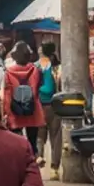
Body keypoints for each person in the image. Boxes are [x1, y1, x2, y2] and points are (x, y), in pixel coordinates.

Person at [1, 40, 44, 154]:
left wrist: (5, 112)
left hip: (15, 111)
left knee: (15, 144)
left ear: (14, 56)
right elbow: (37, 89)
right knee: (32, 144)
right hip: (32, 109)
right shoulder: (36, 70)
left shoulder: (8, 72)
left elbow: (7, 94)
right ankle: (32, 163)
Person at [37, 44, 62, 179]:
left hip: (44, 105)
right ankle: (55, 168)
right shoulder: (60, 67)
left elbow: (47, 88)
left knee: (40, 135)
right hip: (57, 107)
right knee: (55, 138)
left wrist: (35, 88)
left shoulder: (43, 66)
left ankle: (39, 158)